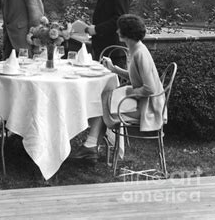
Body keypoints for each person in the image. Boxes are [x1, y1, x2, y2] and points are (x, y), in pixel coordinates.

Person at [70, 14, 165, 162]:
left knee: (103, 103)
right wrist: (114, 69)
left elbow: (150, 88)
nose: (116, 32)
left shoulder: (140, 53)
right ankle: (91, 146)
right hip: (143, 101)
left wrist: (131, 91)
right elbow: (137, 77)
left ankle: (90, 147)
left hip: (148, 107)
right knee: (105, 98)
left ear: (127, 32)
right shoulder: (136, 48)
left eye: (119, 29)